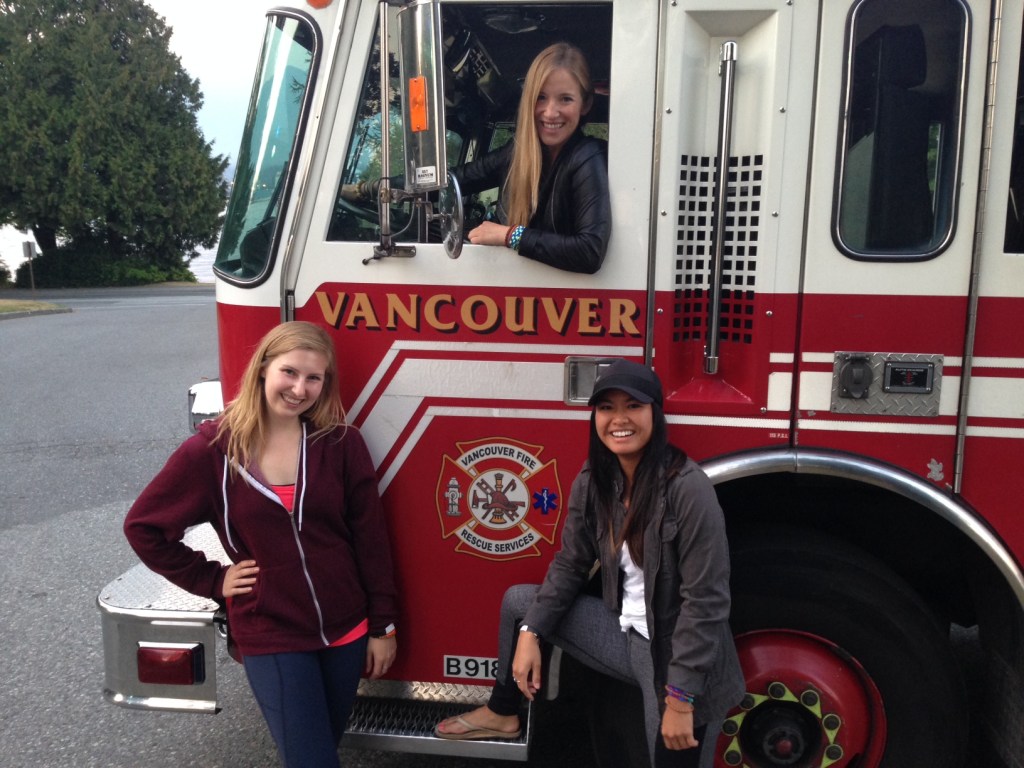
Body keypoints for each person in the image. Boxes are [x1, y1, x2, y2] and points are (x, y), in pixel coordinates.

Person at [433, 359, 745, 767]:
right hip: (625, 637)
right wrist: (531, 632)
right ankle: (502, 711)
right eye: (606, 407)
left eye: (633, 406)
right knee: (519, 603)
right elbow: (570, 563)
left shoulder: (688, 489)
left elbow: (705, 603)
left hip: (674, 660)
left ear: (655, 413)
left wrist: (682, 699)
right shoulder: (595, 479)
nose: (619, 419)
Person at [124, 321, 398, 768]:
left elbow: (371, 539)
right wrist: (212, 579)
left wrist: (382, 625)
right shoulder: (212, 452)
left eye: (314, 378)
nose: (299, 388)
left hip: (346, 629)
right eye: (289, 372)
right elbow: (144, 527)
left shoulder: (340, 443)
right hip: (272, 631)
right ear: (263, 368)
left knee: (322, 747)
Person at [346, 41, 611, 274]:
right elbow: (455, 181)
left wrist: (509, 235)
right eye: (541, 97)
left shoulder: (588, 156)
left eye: (565, 99)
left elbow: (589, 251)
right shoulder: (519, 153)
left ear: (585, 104)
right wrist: (373, 189)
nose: (550, 112)